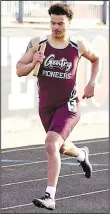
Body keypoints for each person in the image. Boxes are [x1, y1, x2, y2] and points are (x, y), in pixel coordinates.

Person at [16, 3, 101, 211]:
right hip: (46, 107)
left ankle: (50, 196)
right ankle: (81, 154)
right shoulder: (39, 43)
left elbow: (96, 59)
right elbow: (19, 69)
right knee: (59, 146)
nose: (56, 27)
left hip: (69, 105)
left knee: (50, 142)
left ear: (69, 23)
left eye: (60, 23)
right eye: (53, 23)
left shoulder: (77, 45)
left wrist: (92, 83)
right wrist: (32, 62)